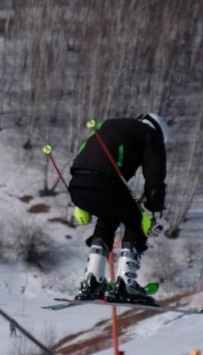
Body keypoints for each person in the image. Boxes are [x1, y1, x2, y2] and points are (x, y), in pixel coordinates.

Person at [68, 113, 168, 306]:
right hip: (104, 183)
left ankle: (92, 281)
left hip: (76, 184)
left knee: (109, 217)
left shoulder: (109, 125)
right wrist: (153, 210)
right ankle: (126, 284)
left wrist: (80, 203)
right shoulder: (150, 134)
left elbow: (84, 150)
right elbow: (155, 176)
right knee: (136, 221)